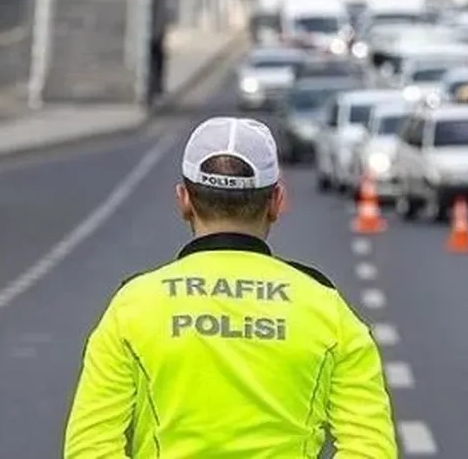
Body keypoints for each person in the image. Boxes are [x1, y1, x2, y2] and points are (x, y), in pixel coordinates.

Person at [64, 117, 398, 457]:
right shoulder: (328, 310)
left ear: (183, 200)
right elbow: (370, 449)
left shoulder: (133, 307)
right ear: (276, 202)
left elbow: (90, 448)